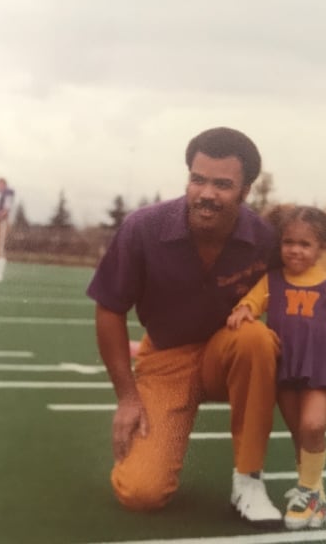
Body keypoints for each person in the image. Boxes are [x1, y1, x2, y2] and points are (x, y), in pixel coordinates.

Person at [86, 127, 284, 525]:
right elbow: (109, 308)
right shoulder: (144, 227)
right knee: (140, 494)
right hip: (168, 358)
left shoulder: (264, 239)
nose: (207, 193)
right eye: (198, 179)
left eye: (223, 184)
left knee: (255, 339)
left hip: (226, 354)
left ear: (245, 190)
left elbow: (287, 305)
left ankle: (248, 480)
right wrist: (127, 397)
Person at [226, 204, 326, 530]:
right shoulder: (272, 280)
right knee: (299, 434)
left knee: (313, 426)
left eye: (305, 244)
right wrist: (244, 309)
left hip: (322, 367)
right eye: (288, 242)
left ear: (321, 248)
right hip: (285, 366)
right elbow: (251, 300)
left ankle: (308, 491)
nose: (295, 250)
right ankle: (313, 494)